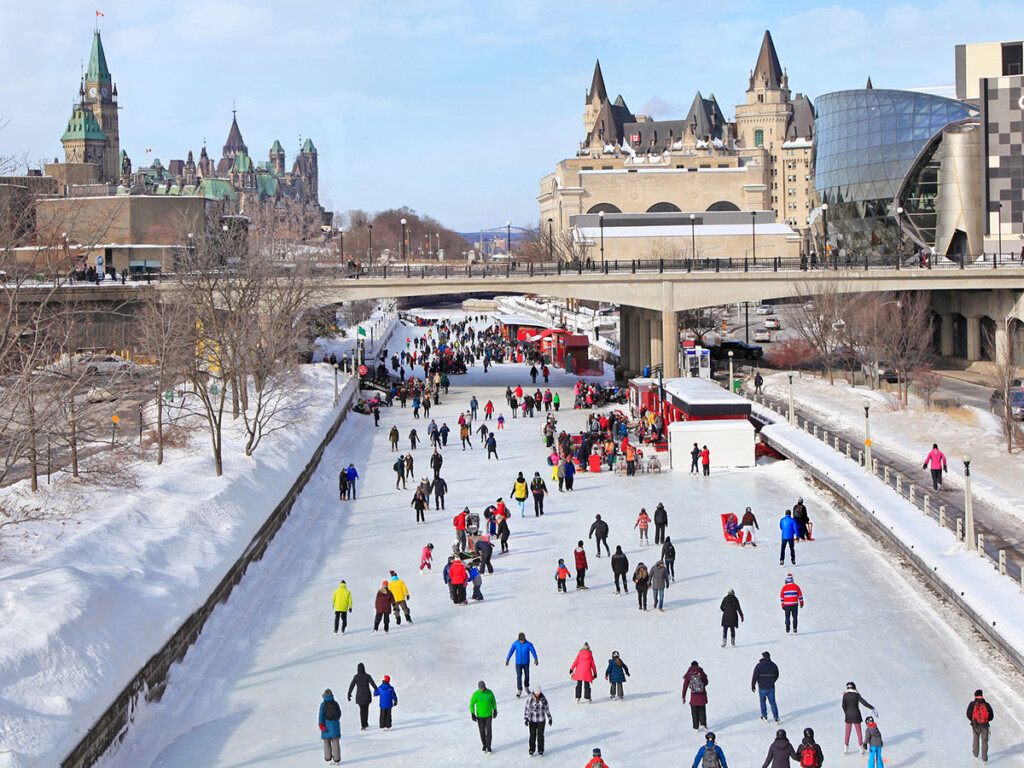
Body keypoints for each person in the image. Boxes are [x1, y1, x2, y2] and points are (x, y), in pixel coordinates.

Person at [842, 681, 877, 753]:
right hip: (856, 715)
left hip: (848, 716)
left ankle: (846, 747)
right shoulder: (856, 695)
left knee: (847, 732)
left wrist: (846, 713)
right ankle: (861, 748)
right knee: (859, 732)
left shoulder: (845, 696)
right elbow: (864, 702)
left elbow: (843, 706)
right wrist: (871, 707)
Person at [506, 632, 540, 697]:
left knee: (527, 675)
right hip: (518, 663)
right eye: (521, 640)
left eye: (523, 640)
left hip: (526, 663)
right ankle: (519, 689)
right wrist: (508, 659)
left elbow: (533, 651)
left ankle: (526, 687)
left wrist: (535, 658)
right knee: (519, 676)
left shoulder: (528, 644)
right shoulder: (516, 644)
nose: (522, 641)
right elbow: (511, 651)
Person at [347, 662, 377, 731]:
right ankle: (365, 723)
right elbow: (373, 684)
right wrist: (376, 690)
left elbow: (352, 686)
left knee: (361, 710)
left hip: (359, 696)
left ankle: (363, 724)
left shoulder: (356, 677)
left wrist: (349, 694)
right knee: (366, 709)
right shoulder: (367, 676)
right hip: (367, 695)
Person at [523, 685, 552, 756]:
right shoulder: (530, 698)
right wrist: (526, 718)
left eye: (538, 693)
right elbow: (527, 708)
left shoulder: (543, 698)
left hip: (541, 719)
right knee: (532, 735)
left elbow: (546, 708)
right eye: (536, 693)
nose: (537, 695)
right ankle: (531, 749)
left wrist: (549, 717)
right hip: (532, 719)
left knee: (540, 735)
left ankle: (540, 750)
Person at [967, 688, 994, 764]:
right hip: (984, 726)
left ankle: (975, 754)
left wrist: (973, 721)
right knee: (984, 741)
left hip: (975, 725)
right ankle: (984, 759)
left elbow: (968, 714)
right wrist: (986, 720)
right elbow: (991, 716)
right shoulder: (986, 704)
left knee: (976, 738)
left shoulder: (972, 704)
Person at [752, 651, 780, 722]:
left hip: (762, 687)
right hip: (771, 687)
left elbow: (755, 675)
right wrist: (772, 681)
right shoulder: (773, 665)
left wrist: (753, 684)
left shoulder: (759, 665)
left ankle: (764, 716)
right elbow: (777, 675)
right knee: (773, 702)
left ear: (764, 657)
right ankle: (776, 718)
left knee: (763, 702)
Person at [470, 680, 497, 753]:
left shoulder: (489, 693)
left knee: (488, 731)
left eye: (483, 688)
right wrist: (472, 714)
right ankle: (484, 744)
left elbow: (493, 701)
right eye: (481, 688)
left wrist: (495, 710)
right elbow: (471, 704)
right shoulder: (476, 694)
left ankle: (489, 745)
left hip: (488, 715)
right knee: (482, 731)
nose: (482, 689)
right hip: (480, 716)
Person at [682, 660, 710, 731]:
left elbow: (685, 686)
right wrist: (702, 686)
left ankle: (695, 727)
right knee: (702, 711)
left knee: (694, 712)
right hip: (702, 696)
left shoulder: (689, 674)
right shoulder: (701, 672)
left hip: (693, 698)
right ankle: (703, 724)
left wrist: (683, 696)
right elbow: (706, 681)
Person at [318, 688, 342, 764]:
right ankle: (337, 759)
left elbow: (321, 715)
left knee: (326, 742)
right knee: (335, 742)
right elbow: (339, 713)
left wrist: (321, 724)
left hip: (326, 725)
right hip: (335, 725)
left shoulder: (323, 704)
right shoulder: (335, 703)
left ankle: (328, 758)